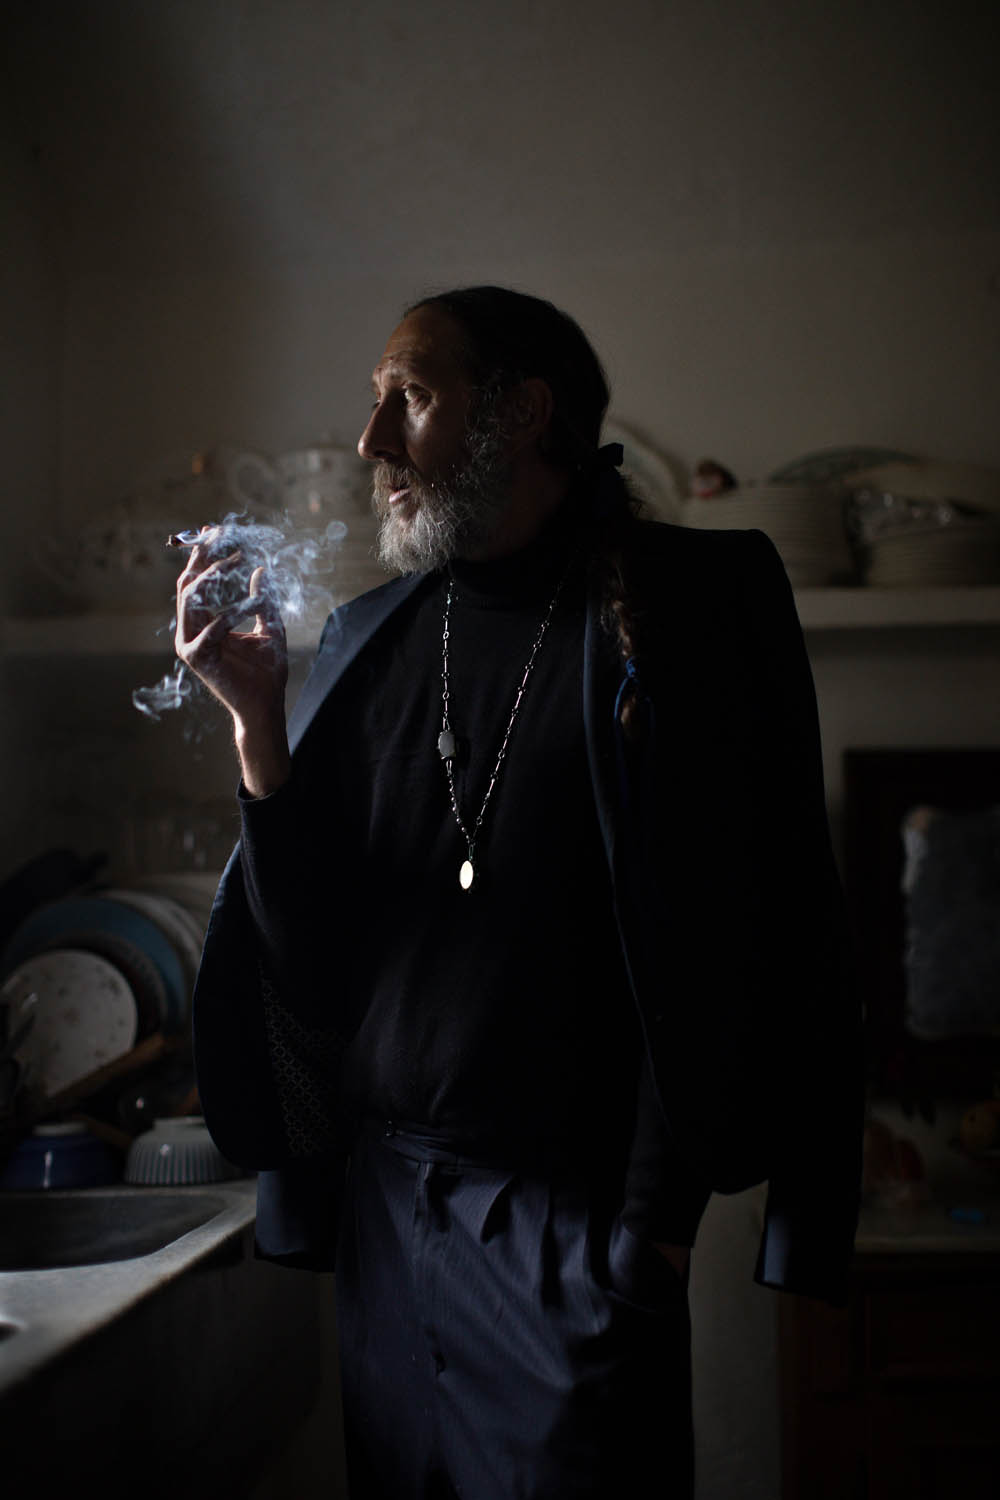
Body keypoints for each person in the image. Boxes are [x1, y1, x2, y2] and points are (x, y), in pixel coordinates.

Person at [179, 286, 863, 1499]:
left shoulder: (688, 601)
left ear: (522, 411)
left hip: (578, 1237)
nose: (372, 441)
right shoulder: (369, 638)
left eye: (411, 397)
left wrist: (649, 1240)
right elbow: (311, 960)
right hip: (389, 1225)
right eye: (375, 404)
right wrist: (258, 728)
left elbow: (759, 921)